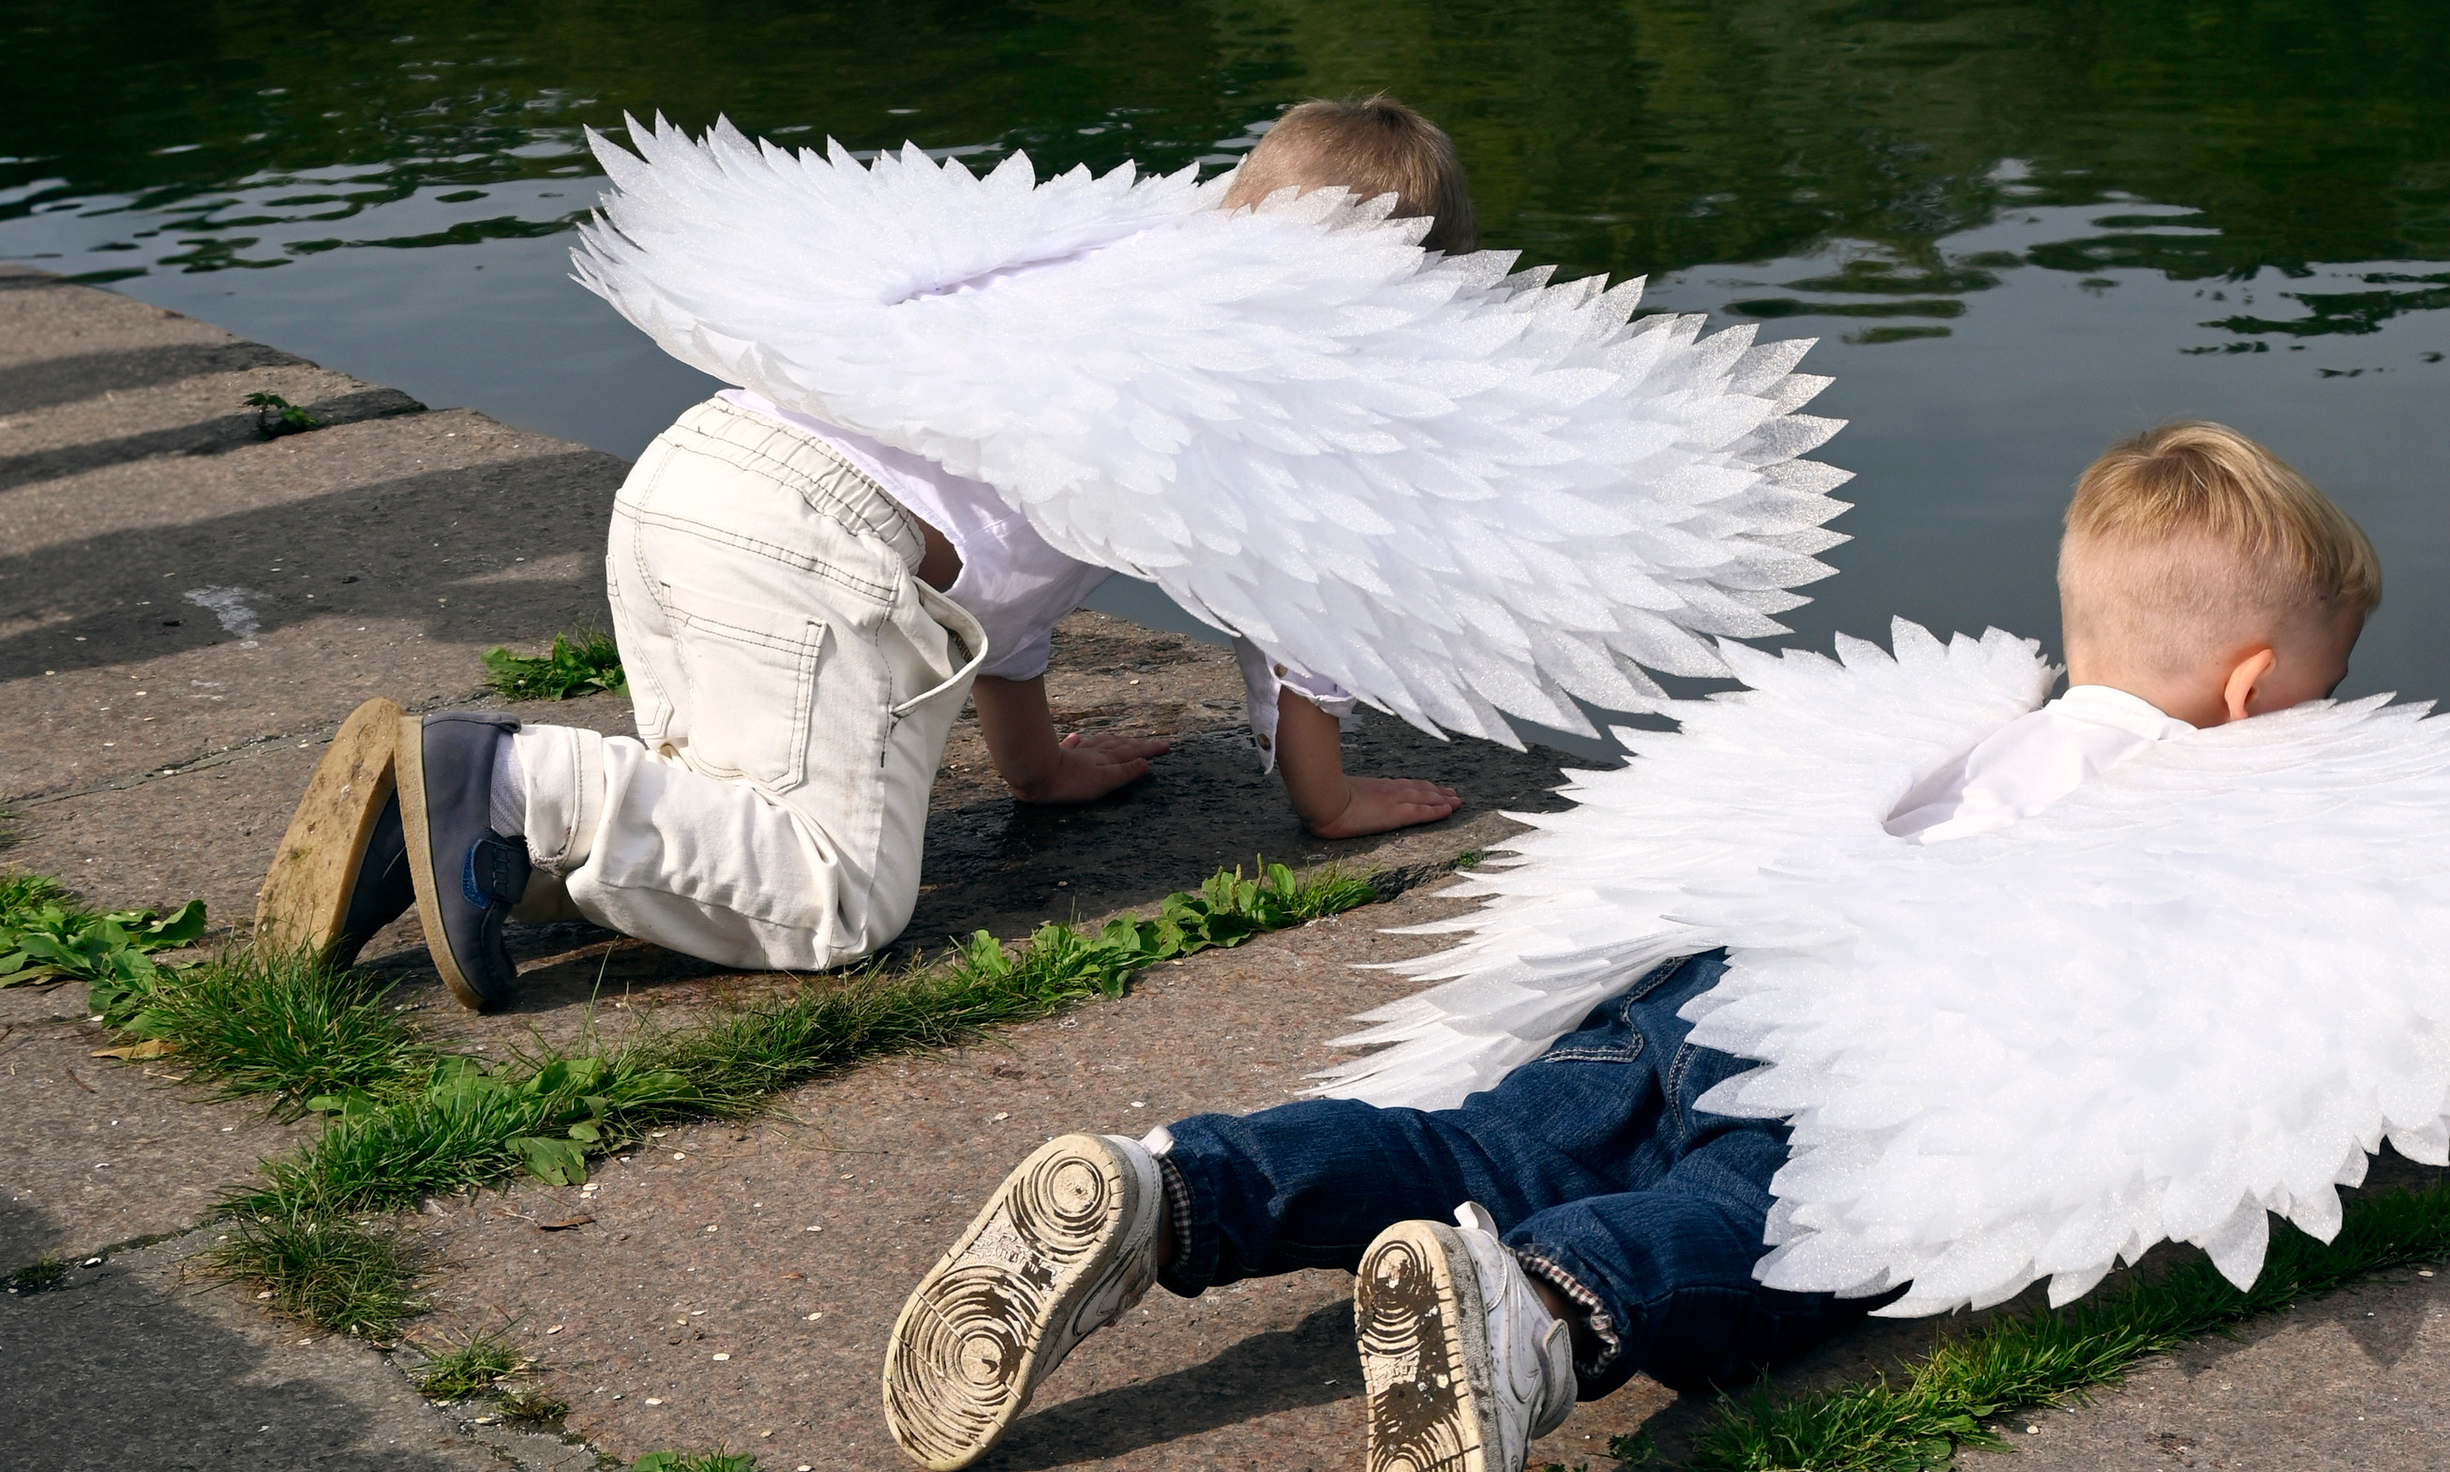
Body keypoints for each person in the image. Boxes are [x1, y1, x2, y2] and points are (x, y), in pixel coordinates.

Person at [880, 421, 2450, 1472]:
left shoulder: (1973, 735)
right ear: (2257, 689)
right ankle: (1539, 1312)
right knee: (1768, 1226)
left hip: (1697, 978)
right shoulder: (2237, 802)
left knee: (1472, 1142)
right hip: (1870, 1044)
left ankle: (1175, 1186)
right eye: (2321, 693)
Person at [256, 93, 1842, 1011]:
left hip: (700, 483)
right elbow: (1307, 606)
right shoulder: (1280, 369)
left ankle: (469, 849)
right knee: (836, 901)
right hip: (817, 551)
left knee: (734, 812)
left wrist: (1035, 766)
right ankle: (499, 779)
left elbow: (1011, 590)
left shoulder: (1109, 274)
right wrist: (1331, 800)